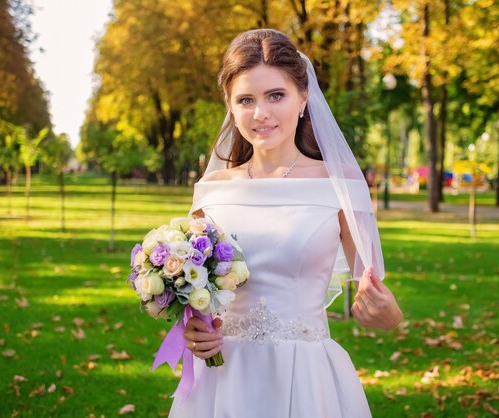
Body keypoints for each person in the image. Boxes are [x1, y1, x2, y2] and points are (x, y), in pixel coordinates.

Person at [170, 29, 402, 418]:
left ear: (303, 97)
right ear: (230, 104)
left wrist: (388, 314)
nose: (261, 113)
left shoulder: (340, 185)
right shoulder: (210, 191)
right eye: (246, 99)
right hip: (224, 380)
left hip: (305, 376)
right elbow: (200, 298)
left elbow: (378, 297)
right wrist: (193, 330)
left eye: (275, 95)